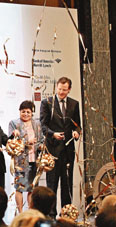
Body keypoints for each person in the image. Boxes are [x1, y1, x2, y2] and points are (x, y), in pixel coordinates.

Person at [40, 77, 81, 216]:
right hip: (52, 151)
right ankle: (51, 215)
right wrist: (53, 134)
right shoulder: (47, 103)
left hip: (68, 150)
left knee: (67, 184)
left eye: (64, 90)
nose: (62, 92)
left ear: (69, 89)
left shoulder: (74, 104)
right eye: (59, 89)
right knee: (52, 184)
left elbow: (78, 125)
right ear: (56, 87)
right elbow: (43, 126)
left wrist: (77, 132)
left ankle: (66, 214)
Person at [8, 100, 44, 213]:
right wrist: (26, 141)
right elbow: (11, 141)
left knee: (32, 188)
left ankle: (30, 211)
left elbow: (41, 138)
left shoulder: (37, 123)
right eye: (23, 112)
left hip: (35, 159)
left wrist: (41, 145)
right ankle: (20, 212)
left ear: (32, 113)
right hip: (21, 160)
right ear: (19, 111)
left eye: (28, 112)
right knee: (19, 187)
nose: (26, 114)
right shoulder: (14, 123)